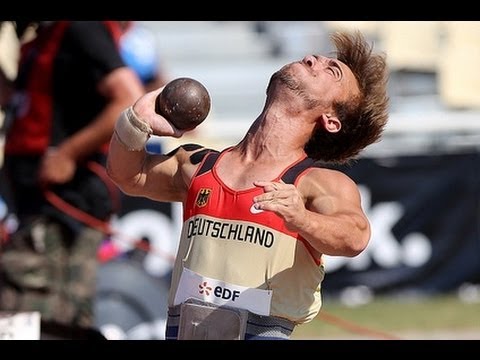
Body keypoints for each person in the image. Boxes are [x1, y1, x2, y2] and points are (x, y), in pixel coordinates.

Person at [106, 30, 389, 340]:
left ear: (332, 119)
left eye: (330, 71)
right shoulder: (199, 164)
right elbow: (128, 175)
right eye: (317, 57)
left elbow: (355, 237)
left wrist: (303, 218)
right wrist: (135, 123)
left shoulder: (315, 184)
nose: (311, 59)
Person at [0, 21, 144, 338]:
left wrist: (67, 153)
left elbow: (129, 98)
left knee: (32, 321)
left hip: (63, 209)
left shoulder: (81, 28)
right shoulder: (43, 39)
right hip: (35, 208)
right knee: (20, 322)